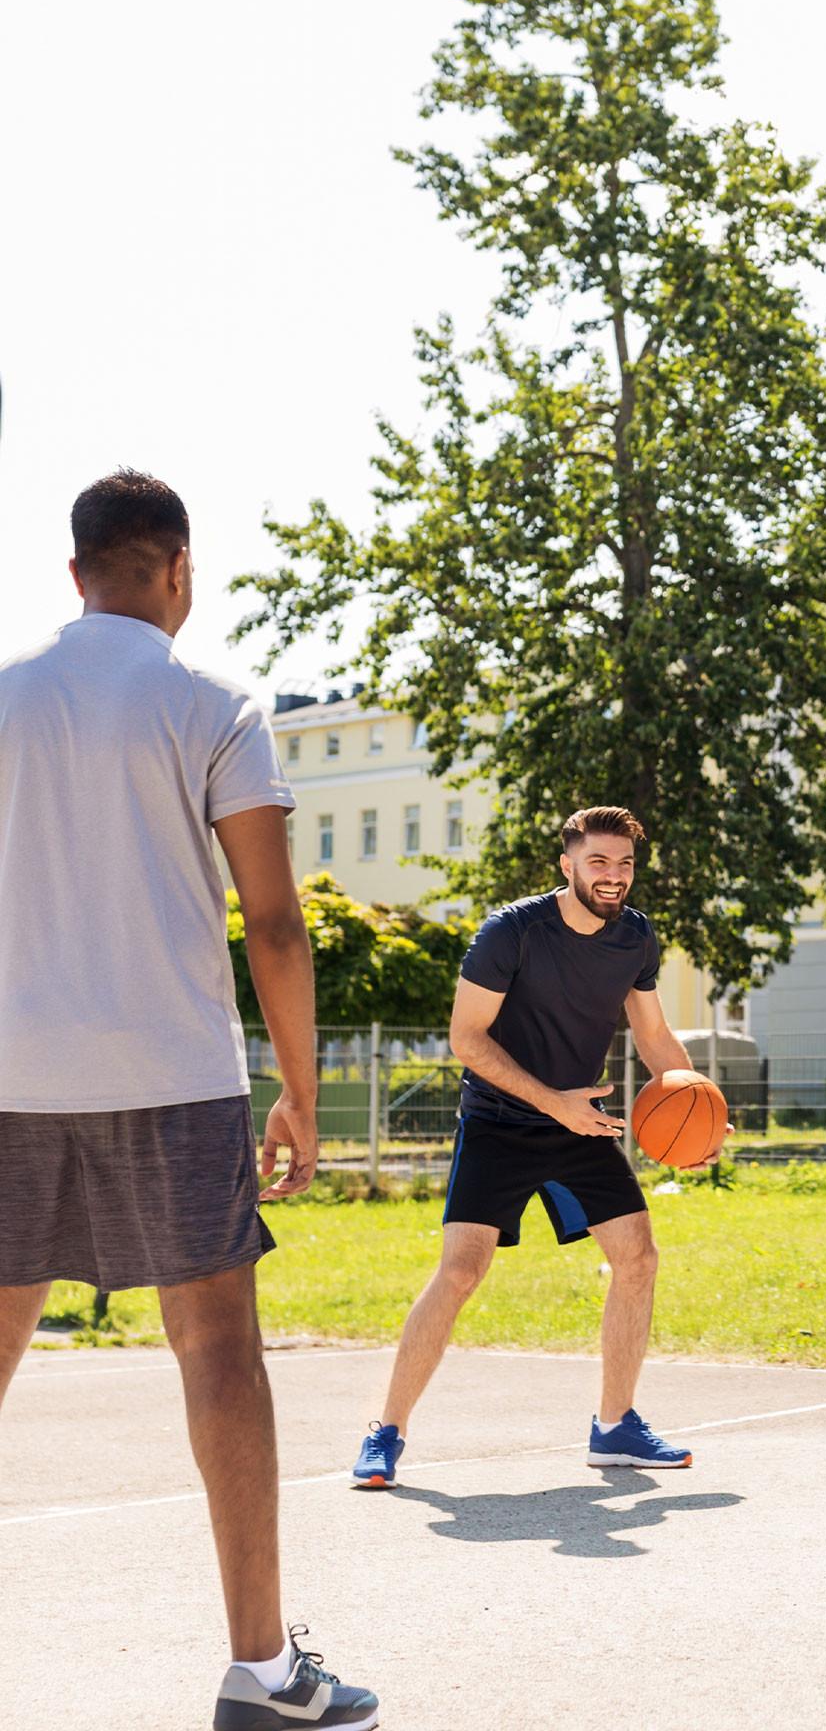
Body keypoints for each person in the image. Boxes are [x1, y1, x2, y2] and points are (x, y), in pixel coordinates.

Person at [0, 471, 378, 1730]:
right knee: (217, 1347)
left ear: (75, 573)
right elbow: (272, 919)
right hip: (172, 1074)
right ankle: (262, 1673)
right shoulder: (217, 703)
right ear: (177, 569)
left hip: (9, 1075)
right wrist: (302, 1096)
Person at [352, 805, 719, 1487]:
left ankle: (615, 1428)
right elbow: (466, 1039)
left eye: (625, 864)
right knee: (462, 1270)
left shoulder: (635, 938)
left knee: (637, 1257)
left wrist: (699, 1103)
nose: (614, 876)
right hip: (500, 1120)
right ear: (568, 864)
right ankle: (387, 1431)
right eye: (599, 862)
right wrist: (554, 1103)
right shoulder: (511, 932)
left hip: (580, 1120)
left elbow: (655, 1038)